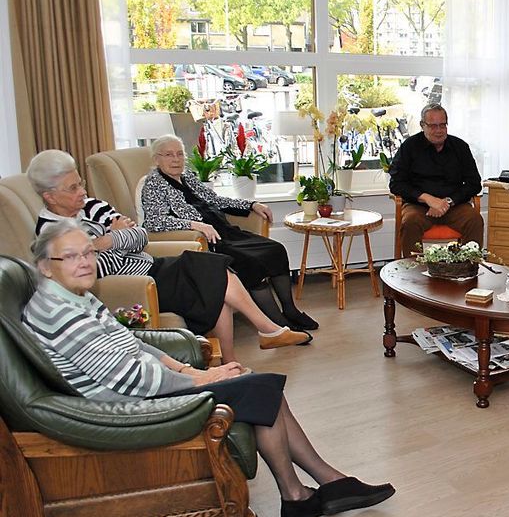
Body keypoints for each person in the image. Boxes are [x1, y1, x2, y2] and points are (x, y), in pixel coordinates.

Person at [23, 221, 395, 517]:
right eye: (70, 257)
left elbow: (131, 341)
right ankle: (301, 493)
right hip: (131, 408)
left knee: (261, 386)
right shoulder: (62, 314)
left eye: (88, 252)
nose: (85, 262)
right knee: (259, 388)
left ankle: (317, 486)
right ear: (44, 265)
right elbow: (134, 380)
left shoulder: (73, 297)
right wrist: (204, 379)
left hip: (142, 390)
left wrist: (184, 366)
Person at [26, 150, 310, 365]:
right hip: (138, 279)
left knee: (218, 281)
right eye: (73, 188)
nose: (83, 192)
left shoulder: (89, 207)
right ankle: (268, 331)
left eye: (80, 183)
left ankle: (233, 360)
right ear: (50, 197)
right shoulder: (53, 234)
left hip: (149, 264)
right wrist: (110, 240)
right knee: (216, 273)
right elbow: (97, 268)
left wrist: (106, 241)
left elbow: (139, 235)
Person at [140, 135, 318, 333]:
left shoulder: (187, 176)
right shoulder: (153, 184)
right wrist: (194, 225)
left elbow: (215, 200)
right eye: (168, 155)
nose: (176, 159)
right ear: (157, 159)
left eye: (179, 154)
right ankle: (277, 323)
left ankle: (290, 309)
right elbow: (154, 221)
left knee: (275, 249)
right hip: (211, 240)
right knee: (251, 262)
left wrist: (251, 204)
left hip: (226, 231)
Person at [388, 104, 483, 258]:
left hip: (454, 206)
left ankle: (467, 269)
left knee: (474, 220)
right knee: (410, 222)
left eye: (442, 125)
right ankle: (413, 274)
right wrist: (428, 198)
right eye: (433, 126)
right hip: (419, 206)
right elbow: (396, 183)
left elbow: (474, 183)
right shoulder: (409, 147)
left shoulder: (460, 147)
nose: (439, 130)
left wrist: (447, 202)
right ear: (422, 125)